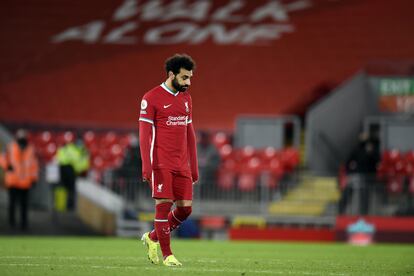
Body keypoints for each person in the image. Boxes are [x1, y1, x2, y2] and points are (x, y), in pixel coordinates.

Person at [139, 54, 198, 267]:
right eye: (184, 78)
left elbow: (190, 133)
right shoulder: (151, 98)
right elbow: (144, 136)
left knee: (185, 209)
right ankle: (168, 255)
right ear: (171, 74)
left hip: (182, 164)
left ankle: (153, 237)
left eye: (190, 78)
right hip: (160, 163)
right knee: (163, 206)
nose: (188, 82)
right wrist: (147, 165)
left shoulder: (186, 98)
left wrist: (194, 166)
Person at [0, 129, 39, 230]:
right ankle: (11, 223)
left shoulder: (31, 149)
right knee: (12, 203)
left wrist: (34, 178)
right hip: (13, 180)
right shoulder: (10, 147)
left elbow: (34, 165)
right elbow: (2, 158)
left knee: (24, 205)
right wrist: (6, 166)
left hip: (25, 182)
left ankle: (24, 224)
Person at [55, 138, 90, 211]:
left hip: (65, 169)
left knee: (66, 189)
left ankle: (64, 206)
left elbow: (82, 165)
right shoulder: (80, 151)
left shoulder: (73, 149)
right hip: (68, 169)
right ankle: (65, 206)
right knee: (68, 189)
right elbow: (81, 166)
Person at [197, 130, 220, 198]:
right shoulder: (197, 146)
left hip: (209, 170)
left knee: (202, 174)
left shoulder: (213, 148)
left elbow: (216, 163)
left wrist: (207, 163)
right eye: (201, 138)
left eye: (204, 138)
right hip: (198, 169)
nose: (202, 139)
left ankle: (203, 196)